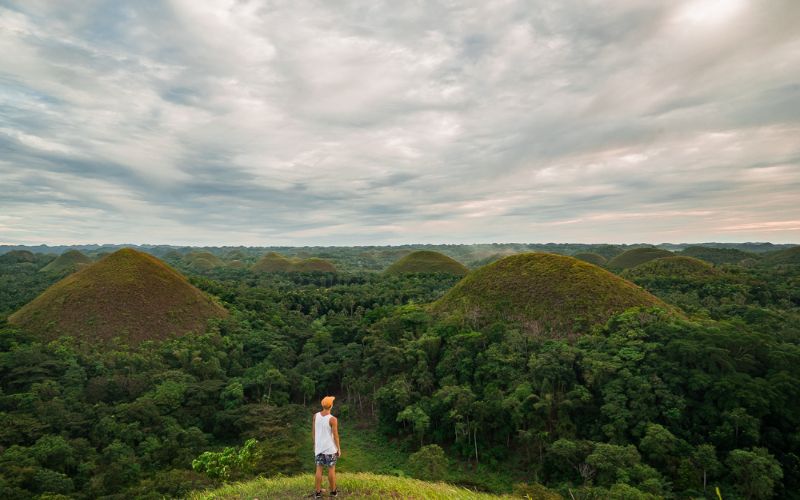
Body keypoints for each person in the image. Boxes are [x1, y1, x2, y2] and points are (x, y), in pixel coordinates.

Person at [313, 396, 341, 498]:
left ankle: (318, 492)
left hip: (319, 448)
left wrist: (315, 444)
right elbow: (336, 436)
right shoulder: (333, 419)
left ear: (322, 405)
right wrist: (338, 449)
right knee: (331, 469)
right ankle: (333, 492)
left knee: (319, 469)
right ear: (331, 406)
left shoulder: (315, 416)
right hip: (330, 449)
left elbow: (314, 432)